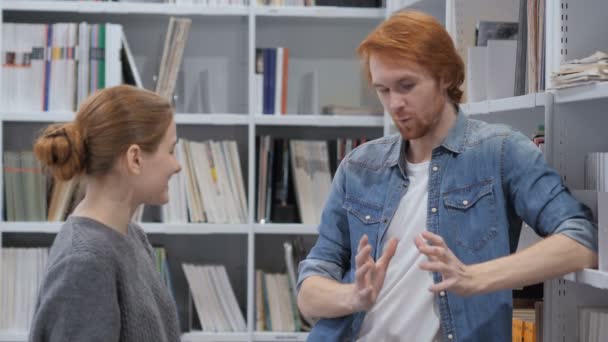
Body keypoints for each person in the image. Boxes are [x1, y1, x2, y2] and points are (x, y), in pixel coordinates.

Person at [296, 11, 598, 342]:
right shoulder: (359, 166)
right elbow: (309, 291)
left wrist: (476, 277)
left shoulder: (500, 151)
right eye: (383, 90)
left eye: (407, 85)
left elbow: (581, 240)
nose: (395, 103)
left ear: (444, 77)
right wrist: (354, 296)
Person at [30, 85, 182, 342]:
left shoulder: (132, 235)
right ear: (134, 158)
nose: (176, 165)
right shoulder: (83, 262)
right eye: (170, 151)